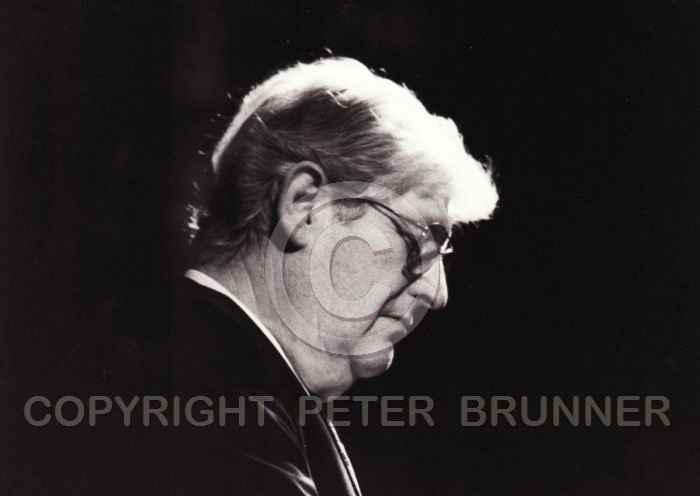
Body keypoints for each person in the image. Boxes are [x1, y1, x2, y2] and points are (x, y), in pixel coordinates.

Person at [173, 56, 499, 495]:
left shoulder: (233, 389)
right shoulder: (206, 411)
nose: (437, 292)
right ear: (305, 205)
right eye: (421, 237)